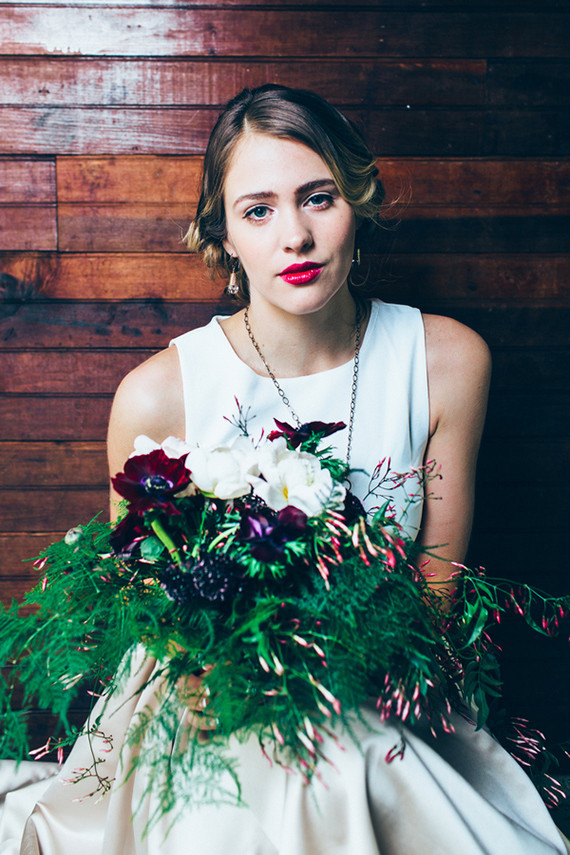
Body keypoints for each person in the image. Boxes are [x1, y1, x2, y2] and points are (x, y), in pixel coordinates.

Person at [1, 84, 567, 854]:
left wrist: (337, 677)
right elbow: (145, 618)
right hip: (204, 708)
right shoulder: (157, 395)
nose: (294, 236)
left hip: (379, 697)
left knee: (337, 764)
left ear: (358, 204)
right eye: (258, 209)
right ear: (224, 234)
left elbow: (438, 601)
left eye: (319, 198)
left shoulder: (449, 361)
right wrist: (240, 685)